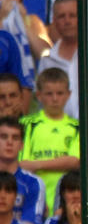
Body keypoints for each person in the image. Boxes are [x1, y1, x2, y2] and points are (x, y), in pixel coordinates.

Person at [20, 67, 79, 213]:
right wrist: (59, 163)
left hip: (64, 203)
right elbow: (23, 165)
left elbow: (74, 161)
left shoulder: (76, 127)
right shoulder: (27, 124)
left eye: (60, 93)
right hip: (32, 201)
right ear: (39, 95)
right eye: (49, 93)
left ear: (68, 94)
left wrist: (38, 164)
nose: (55, 99)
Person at [36, 0, 77, 119]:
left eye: (72, 15)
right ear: (54, 21)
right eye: (61, 16)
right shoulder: (47, 60)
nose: (67, 21)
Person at [0, 115, 43, 224]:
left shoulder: (33, 183)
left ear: (21, 145)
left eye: (15, 138)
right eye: (4, 137)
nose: (9, 142)